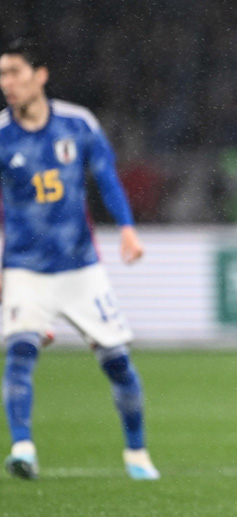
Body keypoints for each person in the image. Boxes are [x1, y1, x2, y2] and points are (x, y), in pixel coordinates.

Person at [0, 38, 159, 480]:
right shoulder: (2, 135)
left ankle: (137, 453)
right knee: (20, 353)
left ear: (40, 75)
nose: (7, 83)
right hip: (24, 268)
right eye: (2, 75)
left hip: (81, 268)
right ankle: (23, 448)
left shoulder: (77, 123)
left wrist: (127, 227)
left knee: (117, 362)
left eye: (14, 72)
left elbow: (106, 176)